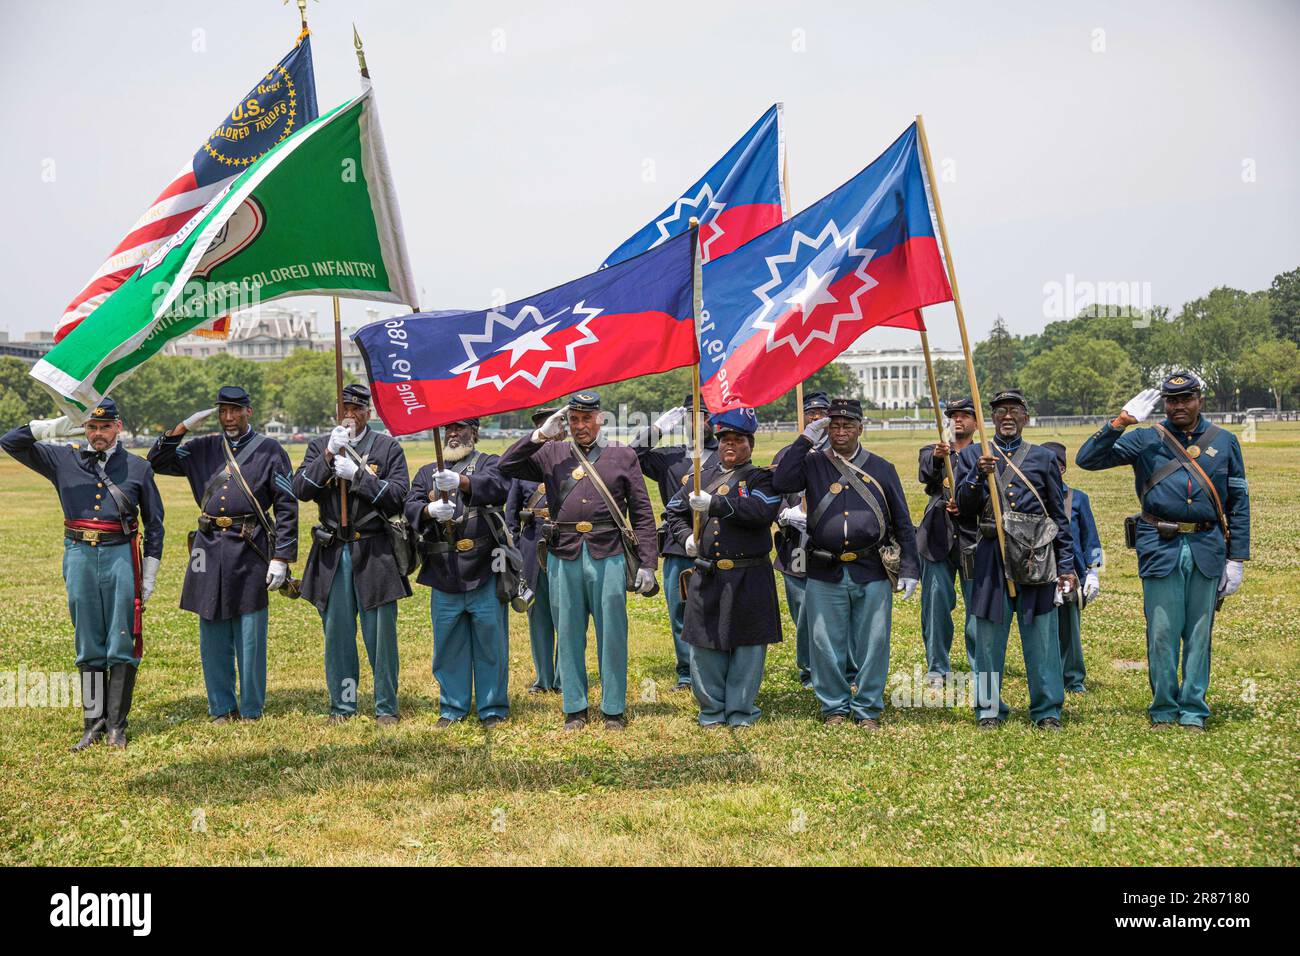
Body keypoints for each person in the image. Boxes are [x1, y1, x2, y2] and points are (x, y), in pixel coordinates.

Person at [1075, 372, 1249, 731]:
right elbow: (1087, 459)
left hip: (1206, 545)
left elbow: (1239, 503)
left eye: (1186, 398)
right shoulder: (1145, 439)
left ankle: (1194, 708)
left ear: (1200, 399)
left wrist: (1236, 559)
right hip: (1160, 544)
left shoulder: (1226, 442)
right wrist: (1120, 422)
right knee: (1162, 631)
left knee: (1200, 632)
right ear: (1164, 404)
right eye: (1172, 400)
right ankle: (1164, 707)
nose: (1179, 406)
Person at [2, 400, 163, 750]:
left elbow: (155, 525)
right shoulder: (64, 459)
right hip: (78, 555)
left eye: (104, 427)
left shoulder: (137, 467)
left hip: (120, 554)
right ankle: (94, 723)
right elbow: (10, 442)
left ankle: (117, 725)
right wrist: (52, 426)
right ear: (83, 428)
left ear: (117, 427)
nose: (98, 434)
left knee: (121, 636)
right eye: (91, 427)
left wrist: (148, 574)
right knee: (88, 641)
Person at [499, 391, 658, 731]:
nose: (580, 425)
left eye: (587, 418)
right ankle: (575, 707)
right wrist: (540, 435)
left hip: (609, 551)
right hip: (563, 551)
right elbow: (506, 464)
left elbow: (642, 512)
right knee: (568, 632)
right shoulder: (551, 452)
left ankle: (613, 708)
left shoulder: (623, 455)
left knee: (612, 633)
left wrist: (648, 562)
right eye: (574, 419)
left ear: (600, 418)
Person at [149, 386, 297, 723]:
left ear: (249, 411)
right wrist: (181, 428)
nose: (228, 417)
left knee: (250, 631)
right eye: (223, 411)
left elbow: (287, 507)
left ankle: (251, 708)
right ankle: (220, 706)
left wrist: (283, 558)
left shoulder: (271, 450)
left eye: (235, 410)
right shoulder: (203, 448)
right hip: (208, 546)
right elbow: (157, 462)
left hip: (250, 545)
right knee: (211, 627)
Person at [771, 398, 920, 728]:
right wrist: (805, 439)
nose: (840, 432)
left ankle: (867, 707)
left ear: (860, 428)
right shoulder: (812, 464)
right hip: (825, 567)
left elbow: (902, 521)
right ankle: (834, 707)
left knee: (874, 643)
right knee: (824, 643)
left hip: (871, 568)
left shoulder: (882, 468)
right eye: (834, 425)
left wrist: (910, 567)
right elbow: (781, 481)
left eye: (847, 425)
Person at [953, 389, 1075, 731]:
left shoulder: (1043, 459)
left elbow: (1057, 517)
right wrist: (978, 475)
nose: (1008, 416)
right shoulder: (974, 455)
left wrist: (1066, 566)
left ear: (1026, 417)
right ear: (991, 418)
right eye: (1001, 411)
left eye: (1014, 411)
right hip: (992, 555)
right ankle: (988, 709)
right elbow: (963, 508)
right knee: (988, 637)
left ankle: (1047, 708)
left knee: (1041, 635)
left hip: (1036, 555)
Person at [293, 383, 411, 725]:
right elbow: (300, 490)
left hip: (375, 551)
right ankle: (343, 704)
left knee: (381, 638)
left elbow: (399, 497)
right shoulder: (319, 446)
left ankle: (385, 706)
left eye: (356, 409)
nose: (350, 415)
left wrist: (359, 476)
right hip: (333, 551)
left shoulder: (387, 448)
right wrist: (329, 455)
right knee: (339, 636)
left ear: (367, 413)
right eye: (344, 408)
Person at [665, 408, 782, 727]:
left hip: (750, 574)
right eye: (724, 439)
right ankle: (712, 710)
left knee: (748, 646)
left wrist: (715, 504)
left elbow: (761, 511)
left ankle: (741, 711)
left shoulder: (763, 478)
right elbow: (673, 512)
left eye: (738, 440)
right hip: (709, 572)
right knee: (705, 644)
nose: (730, 445)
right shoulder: (699, 478)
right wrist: (687, 537)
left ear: (751, 444)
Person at [405, 417, 511, 728]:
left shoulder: (490, 462)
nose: (453, 434)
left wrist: (464, 483)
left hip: (485, 568)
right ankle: (452, 707)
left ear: (474, 432)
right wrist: (427, 511)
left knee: (491, 644)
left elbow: (501, 487)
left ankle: (492, 708)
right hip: (444, 571)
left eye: (460, 428)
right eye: (448, 429)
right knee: (448, 645)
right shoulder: (427, 472)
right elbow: (409, 506)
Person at [629, 394, 718, 691]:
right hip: (678, 543)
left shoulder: (725, 456)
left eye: (703, 415)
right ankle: (686, 671)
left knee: (717, 606)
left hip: (719, 542)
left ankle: (716, 664)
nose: (698, 422)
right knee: (680, 609)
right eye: (691, 416)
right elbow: (631, 456)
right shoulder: (670, 457)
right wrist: (658, 428)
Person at [916, 397, 979, 685]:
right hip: (937, 539)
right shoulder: (934, 450)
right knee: (936, 605)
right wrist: (939, 457)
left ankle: (980, 664)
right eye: (953, 415)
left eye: (965, 415)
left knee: (979, 608)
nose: (958, 420)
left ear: (976, 423)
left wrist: (966, 506)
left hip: (974, 538)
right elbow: (925, 475)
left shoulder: (985, 454)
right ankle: (938, 667)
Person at [772, 389, 831, 688]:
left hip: (830, 543)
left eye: (822, 412)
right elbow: (771, 493)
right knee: (802, 607)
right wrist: (785, 514)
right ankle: (808, 668)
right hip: (796, 543)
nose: (816, 417)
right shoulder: (786, 454)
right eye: (811, 413)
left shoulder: (839, 451)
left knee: (830, 608)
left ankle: (838, 665)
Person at [505, 408, 563, 694]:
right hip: (531, 544)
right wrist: (516, 550)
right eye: (544, 432)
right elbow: (511, 516)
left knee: (567, 612)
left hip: (565, 543)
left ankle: (564, 677)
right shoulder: (523, 470)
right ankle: (543, 678)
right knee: (537, 613)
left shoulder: (570, 463)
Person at [1041, 441, 1101, 693]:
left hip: (1069, 572)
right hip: (1040, 571)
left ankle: (1073, 678)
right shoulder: (1032, 499)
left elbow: (1091, 539)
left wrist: (1094, 572)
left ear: (1062, 469)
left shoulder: (1078, 499)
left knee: (1070, 629)